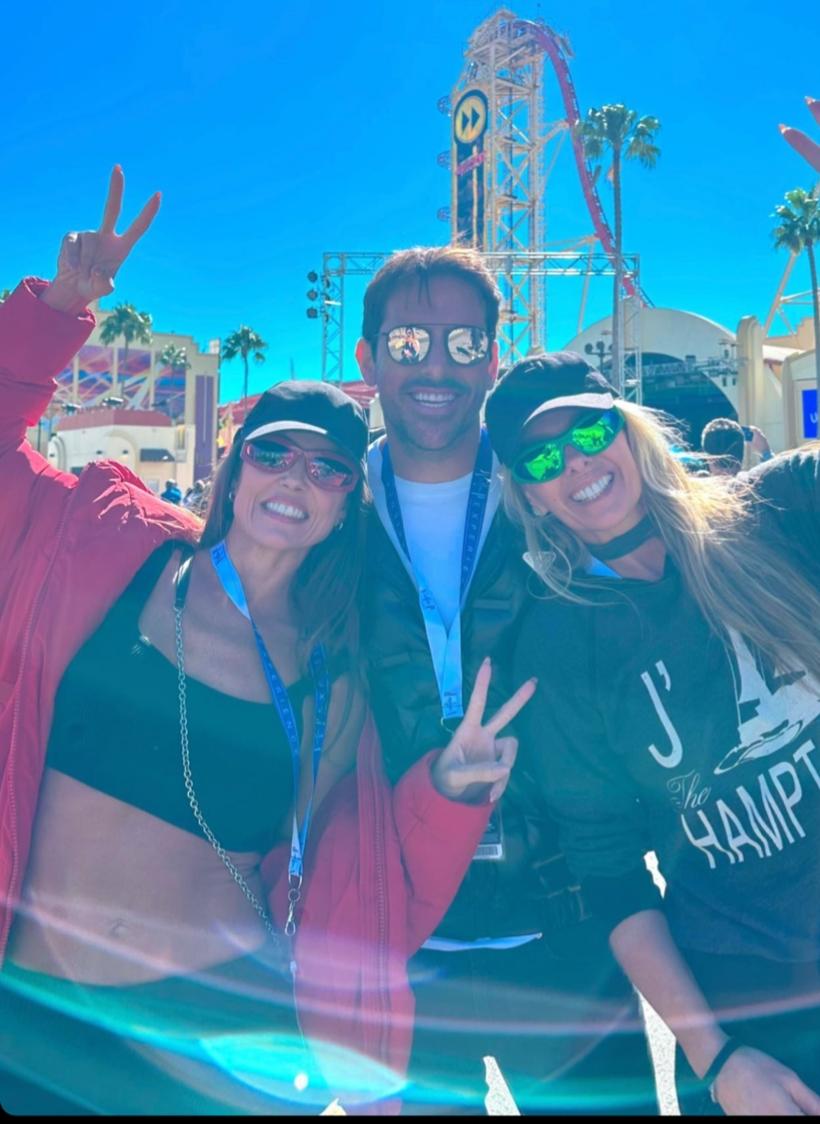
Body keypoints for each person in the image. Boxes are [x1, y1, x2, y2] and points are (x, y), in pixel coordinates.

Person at [0, 169, 536, 1116]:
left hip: (206, 1044)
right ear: (235, 464)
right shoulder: (99, 548)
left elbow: (359, 857)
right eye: (274, 451)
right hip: (29, 1017)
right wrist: (56, 312)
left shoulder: (335, 672)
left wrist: (450, 793)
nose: (297, 478)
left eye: (328, 469)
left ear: (347, 500)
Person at [355, 248, 657, 1115]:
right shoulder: (333, 506)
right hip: (405, 933)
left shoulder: (552, 485)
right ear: (368, 358)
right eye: (408, 342)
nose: (436, 365)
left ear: (493, 358)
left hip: (572, 917)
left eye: (463, 342)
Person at [483, 350, 820, 1116]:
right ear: (529, 495)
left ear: (629, 430)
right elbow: (611, 873)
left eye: (589, 432)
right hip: (753, 1010)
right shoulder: (558, 648)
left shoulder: (775, 514)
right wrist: (720, 1059)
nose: (575, 463)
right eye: (542, 458)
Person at [701, 417, 773, 477]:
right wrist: (765, 452)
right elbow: (774, 478)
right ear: (741, 456)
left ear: (708, 458)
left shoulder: (696, 487)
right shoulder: (756, 484)